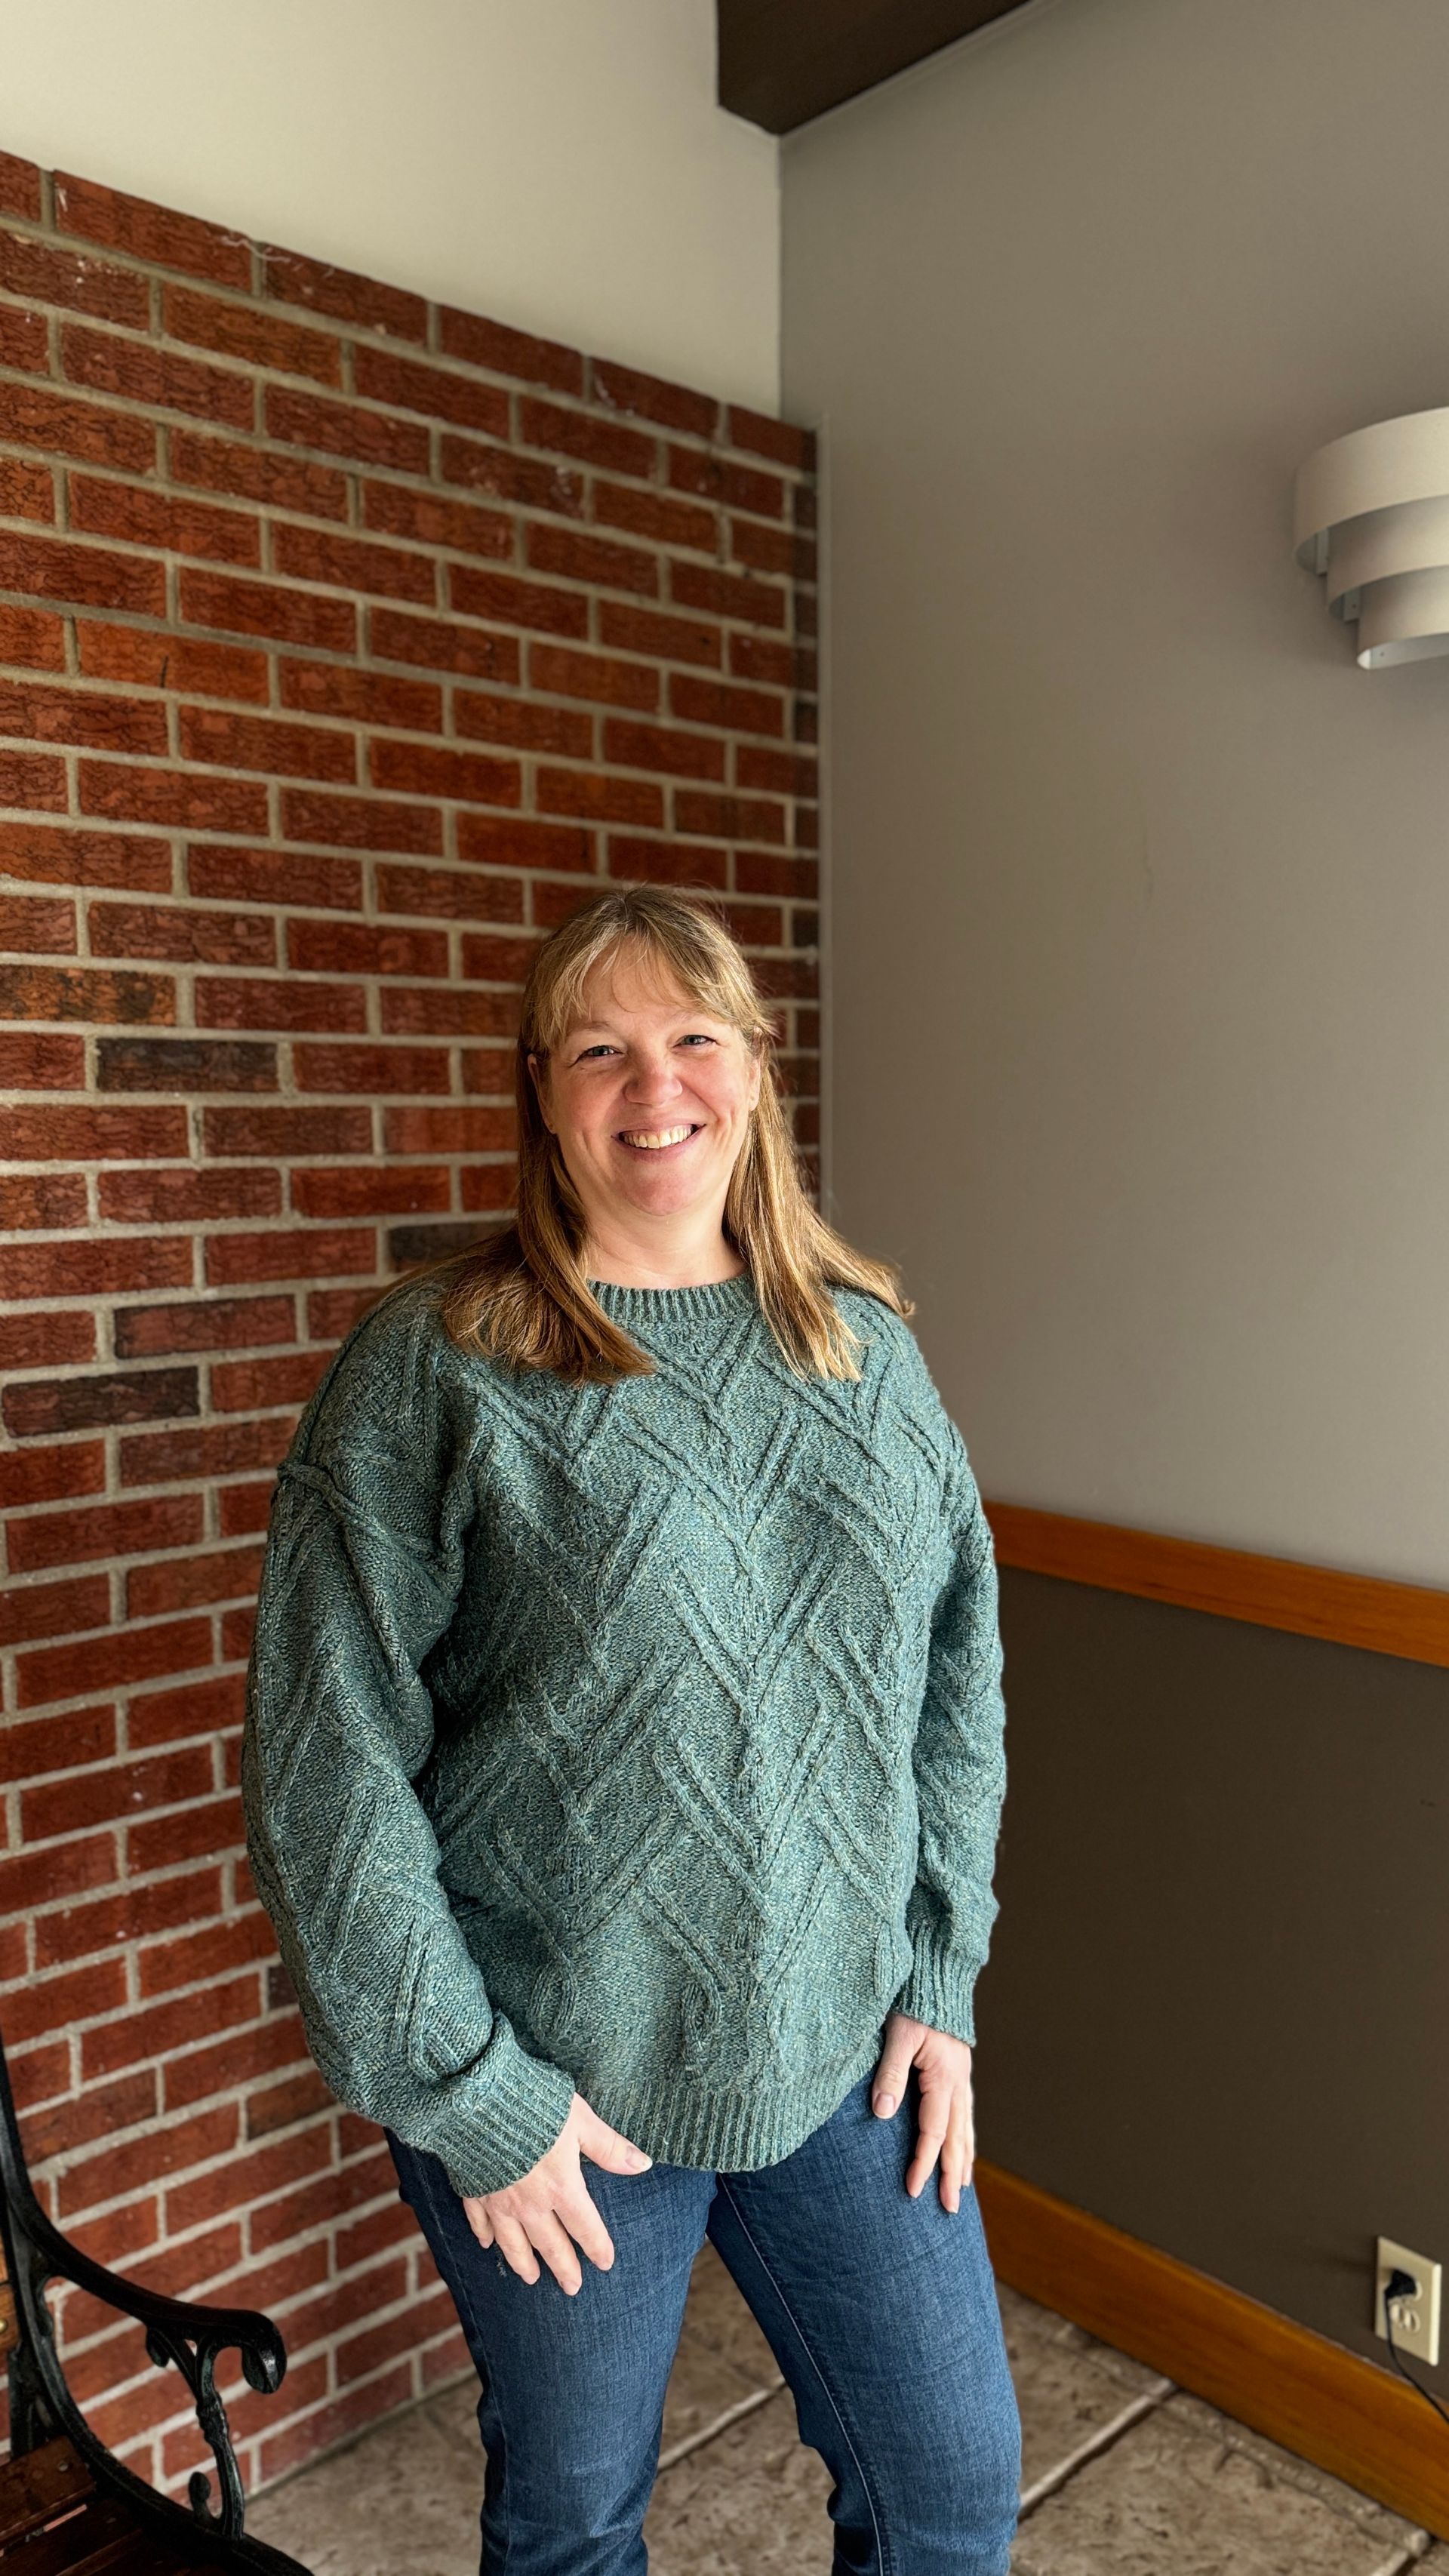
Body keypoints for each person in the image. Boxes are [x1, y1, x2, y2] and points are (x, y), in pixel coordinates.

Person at [242, 883, 1020, 2575]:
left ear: (753, 1069)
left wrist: (939, 1975)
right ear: (542, 1090)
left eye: (689, 1039)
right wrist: (473, 2093)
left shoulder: (863, 1346)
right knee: (575, 2521)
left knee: (950, 2493)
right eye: (598, 1048)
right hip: (557, 2082)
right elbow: (328, 1761)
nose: (649, 1085)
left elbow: (955, 1669)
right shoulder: (439, 1367)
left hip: (845, 2051)